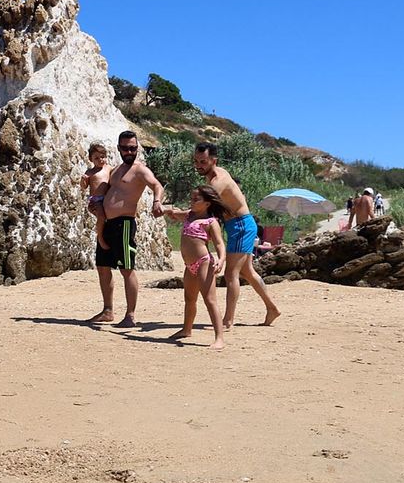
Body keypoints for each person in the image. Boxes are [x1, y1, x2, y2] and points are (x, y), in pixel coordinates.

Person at [193, 142, 280, 328]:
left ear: (213, 161)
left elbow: (202, 207)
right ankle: (272, 308)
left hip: (241, 225)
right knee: (247, 272)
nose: (198, 165)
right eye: (196, 161)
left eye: (203, 161)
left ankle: (228, 320)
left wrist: (176, 213)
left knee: (231, 273)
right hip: (238, 226)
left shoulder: (218, 182)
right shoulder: (216, 175)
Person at [90, 131, 164, 328]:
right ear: (119, 148)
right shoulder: (115, 170)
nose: (129, 151)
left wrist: (157, 201)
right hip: (106, 224)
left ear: (137, 148)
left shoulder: (140, 170)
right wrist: (96, 206)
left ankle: (130, 315)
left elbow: (157, 185)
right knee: (103, 267)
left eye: (133, 148)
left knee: (126, 268)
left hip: (124, 224)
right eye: (125, 148)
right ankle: (107, 310)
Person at [159, 186, 228, 349]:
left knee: (210, 300)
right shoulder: (189, 215)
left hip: (204, 262)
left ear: (207, 203)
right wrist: (161, 208)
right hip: (189, 265)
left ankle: (219, 338)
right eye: (192, 198)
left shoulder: (211, 222)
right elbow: (173, 213)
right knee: (190, 299)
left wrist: (221, 259)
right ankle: (186, 329)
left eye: (196, 199)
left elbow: (219, 244)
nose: (192, 201)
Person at [81, 142, 112, 250]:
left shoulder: (109, 169)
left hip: (107, 200)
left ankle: (106, 235)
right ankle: (100, 238)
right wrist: (83, 180)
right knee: (102, 217)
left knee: (110, 218)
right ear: (91, 160)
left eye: (102, 157)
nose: (100, 160)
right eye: (97, 158)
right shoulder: (90, 172)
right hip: (96, 201)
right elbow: (84, 187)